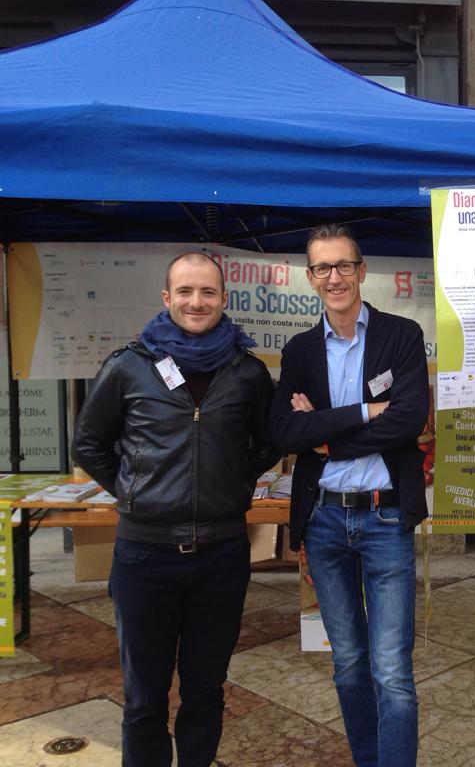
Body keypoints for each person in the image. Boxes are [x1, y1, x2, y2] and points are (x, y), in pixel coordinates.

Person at [72, 252, 278, 767]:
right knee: (144, 697)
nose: (196, 302)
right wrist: (133, 491)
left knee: (205, 690)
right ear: (167, 298)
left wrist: (234, 480)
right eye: (185, 291)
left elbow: (269, 441)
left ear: (224, 299)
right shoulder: (128, 366)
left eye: (207, 292)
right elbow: (89, 444)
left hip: (221, 556)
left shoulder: (248, 372)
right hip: (145, 557)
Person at [269, 223, 429, 767]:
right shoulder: (299, 350)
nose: (333, 277)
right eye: (322, 267)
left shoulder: (400, 336)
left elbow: (408, 420)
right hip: (324, 522)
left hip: (385, 519)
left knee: (392, 670)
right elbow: (284, 431)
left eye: (343, 265)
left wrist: (326, 437)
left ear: (361, 271)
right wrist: (363, 413)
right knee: (348, 664)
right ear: (310, 278)